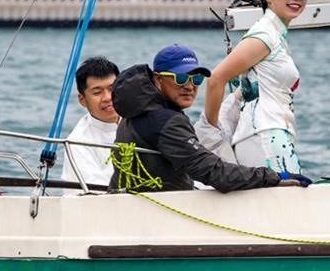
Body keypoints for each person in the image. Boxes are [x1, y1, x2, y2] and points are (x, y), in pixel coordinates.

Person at [109, 44, 311, 193]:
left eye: (196, 79)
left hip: (132, 202)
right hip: (159, 214)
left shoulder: (135, 112)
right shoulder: (165, 121)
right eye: (180, 78)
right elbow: (215, 174)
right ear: (157, 79)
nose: (189, 86)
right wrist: (274, 176)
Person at [203, 0, 318, 173]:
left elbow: (251, 86)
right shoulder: (264, 35)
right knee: (288, 202)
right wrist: (211, 133)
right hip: (265, 136)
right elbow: (215, 79)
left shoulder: (274, 35)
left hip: (269, 134)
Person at [61, 56, 120, 191]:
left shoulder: (141, 121)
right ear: (82, 100)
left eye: (112, 89)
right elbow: (95, 195)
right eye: (97, 92)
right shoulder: (77, 142)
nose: (107, 98)